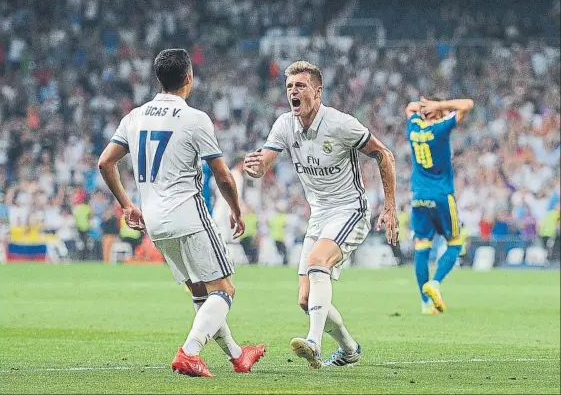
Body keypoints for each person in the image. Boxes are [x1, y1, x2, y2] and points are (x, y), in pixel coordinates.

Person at [98, 49, 265, 377]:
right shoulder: (195, 118)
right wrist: (236, 210)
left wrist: (127, 205)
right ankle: (189, 351)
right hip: (189, 216)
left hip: (154, 223)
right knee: (225, 290)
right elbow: (222, 174)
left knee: (201, 291)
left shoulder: (134, 117)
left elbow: (105, 162)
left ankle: (237, 356)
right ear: (189, 78)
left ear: (159, 78)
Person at [243, 61, 398, 369]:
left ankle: (313, 341)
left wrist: (390, 206)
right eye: (289, 87)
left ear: (317, 91)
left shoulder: (340, 124)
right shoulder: (285, 124)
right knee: (305, 300)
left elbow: (384, 155)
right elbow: (265, 162)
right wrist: (257, 167)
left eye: (300, 86)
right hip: (320, 216)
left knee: (317, 262)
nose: (293, 92)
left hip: (350, 209)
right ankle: (349, 348)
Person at [406, 97, 474, 314]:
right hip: (442, 195)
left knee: (422, 246)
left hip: (418, 197)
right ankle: (434, 283)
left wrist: (426, 108)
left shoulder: (414, 127)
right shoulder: (441, 128)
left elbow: (410, 108)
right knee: (455, 243)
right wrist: (440, 106)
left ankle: (425, 304)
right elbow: (468, 104)